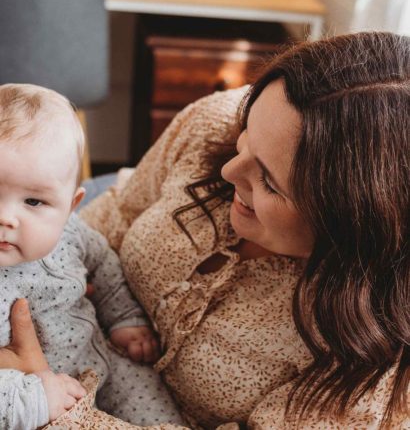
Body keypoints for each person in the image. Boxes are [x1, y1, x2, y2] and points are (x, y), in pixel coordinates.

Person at [1, 31, 409, 429]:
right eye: (244, 140)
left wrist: (48, 402)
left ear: (349, 226)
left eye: (268, 181)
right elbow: (113, 216)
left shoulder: (368, 376)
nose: (230, 171)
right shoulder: (214, 124)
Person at [0, 84, 183, 429]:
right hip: (34, 399)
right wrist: (37, 398)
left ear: (71, 206)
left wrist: (125, 319)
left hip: (104, 364)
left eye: (34, 202)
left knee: (148, 391)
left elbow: (104, 266)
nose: (6, 218)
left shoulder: (72, 233)